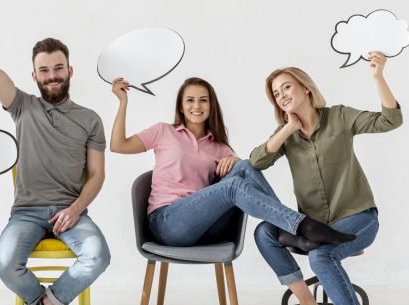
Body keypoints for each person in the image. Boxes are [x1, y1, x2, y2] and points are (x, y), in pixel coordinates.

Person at [0, 0, 111, 305]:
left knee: (99, 255)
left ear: (69, 70)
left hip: (72, 211)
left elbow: (96, 175)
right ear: (34, 76)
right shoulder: (23, 107)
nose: (52, 75)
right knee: (5, 264)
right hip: (26, 212)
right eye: (43, 70)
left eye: (57, 68)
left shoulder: (90, 119)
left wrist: (76, 209)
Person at [250, 52, 402, 305]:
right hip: (314, 227)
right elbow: (256, 161)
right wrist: (288, 129)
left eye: (286, 88)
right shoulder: (287, 135)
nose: (281, 97)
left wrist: (377, 76)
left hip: (357, 218)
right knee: (264, 231)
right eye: (276, 94)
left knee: (322, 255)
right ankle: (307, 303)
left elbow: (390, 120)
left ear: (305, 88)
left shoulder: (340, 117)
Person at [109, 76, 354, 251]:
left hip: (203, 227)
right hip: (167, 223)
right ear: (181, 107)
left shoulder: (219, 147)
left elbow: (245, 181)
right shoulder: (163, 131)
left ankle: (288, 230)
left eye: (203, 100)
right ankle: (300, 227)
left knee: (245, 167)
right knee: (233, 185)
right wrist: (122, 103)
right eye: (190, 101)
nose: (196, 106)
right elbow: (118, 145)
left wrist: (235, 161)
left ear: (211, 105)